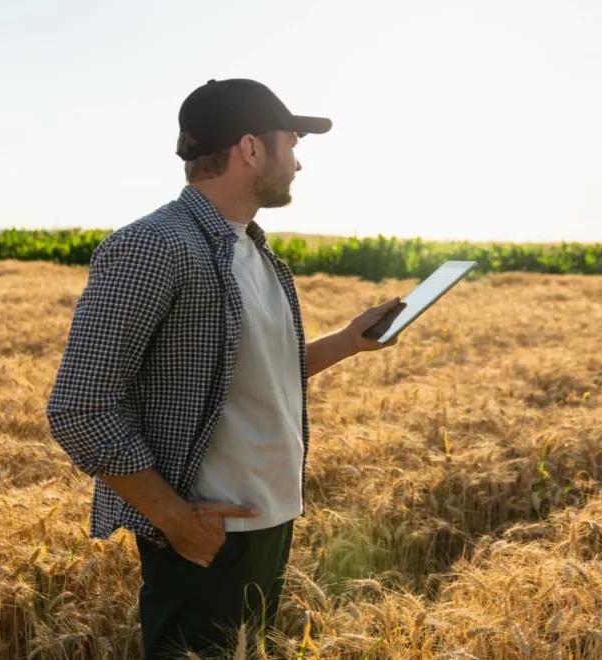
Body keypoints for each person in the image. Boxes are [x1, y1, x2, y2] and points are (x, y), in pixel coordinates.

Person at [45, 78, 403, 658]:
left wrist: (346, 341)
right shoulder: (154, 246)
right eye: (292, 144)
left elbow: (247, 374)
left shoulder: (257, 253)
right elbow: (80, 408)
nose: (299, 164)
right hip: (207, 536)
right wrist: (178, 522)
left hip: (270, 520)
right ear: (251, 149)